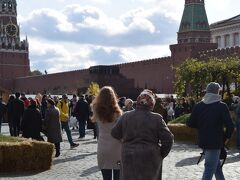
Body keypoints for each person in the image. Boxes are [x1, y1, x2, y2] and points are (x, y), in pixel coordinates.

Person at [111, 89, 174, 180]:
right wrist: (160, 154)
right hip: (150, 157)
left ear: (137, 101)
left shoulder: (126, 116)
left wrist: (125, 141)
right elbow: (169, 139)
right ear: (152, 104)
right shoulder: (157, 118)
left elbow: (114, 133)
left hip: (129, 156)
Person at [186, 82, 234, 180]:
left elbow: (190, 123)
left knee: (216, 167)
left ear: (207, 91)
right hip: (215, 142)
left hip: (203, 141)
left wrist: (202, 125)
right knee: (209, 170)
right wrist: (226, 138)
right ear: (217, 92)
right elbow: (230, 126)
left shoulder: (199, 106)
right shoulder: (221, 106)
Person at [91, 86, 122, 180]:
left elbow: (93, 105)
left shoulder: (96, 111)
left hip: (103, 147)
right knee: (118, 177)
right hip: (117, 148)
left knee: (106, 178)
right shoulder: (118, 113)